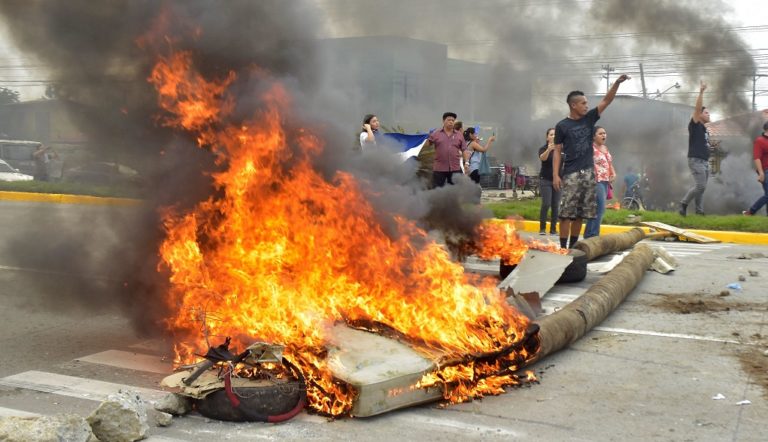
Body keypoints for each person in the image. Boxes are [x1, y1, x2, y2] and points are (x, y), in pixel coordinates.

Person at [553, 74, 629, 249]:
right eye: (583, 103)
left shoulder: (589, 119)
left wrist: (617, 83)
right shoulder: (562, 126)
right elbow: (557, 151)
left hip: (589, 173)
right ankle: (563, 247)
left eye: (587, 103)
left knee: (581, 213)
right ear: (573, 105)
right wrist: (555, 175)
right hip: (571, 173)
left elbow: (606, 101)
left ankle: (573, 247)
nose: (587, 106)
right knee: (566, 214)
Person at [679, 81, 710, 216]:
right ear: (700, 115)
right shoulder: (695, 124)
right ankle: (683, 204)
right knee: (700, 186)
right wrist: (701, 92)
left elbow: (703, 143)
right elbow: (697, 109)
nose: (709, 114)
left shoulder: (704, 129)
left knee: (701, 189)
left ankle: (700, 211)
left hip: (704, 161)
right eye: (706, 112)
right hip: (696, 160)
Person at [584, 126, 616, 238]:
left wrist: (613, 173)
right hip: (596, 181)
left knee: (597, 209)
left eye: (605, 133)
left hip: (605, 181)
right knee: (600, 208)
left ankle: (589, 234)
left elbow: (609, 163)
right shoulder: (590, 148)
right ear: (593, 136)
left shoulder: (605, 148)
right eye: (600, 133)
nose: (604, 135)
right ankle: (593, 235)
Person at [422, 112, 467, 187]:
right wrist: (425, 137)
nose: (451, 122)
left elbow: (464, 149)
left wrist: (466, 163)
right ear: (443, 121)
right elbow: (426, 145)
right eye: (449, 120)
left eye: (453, 120)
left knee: (455, 190)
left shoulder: (459, 135)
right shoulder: (436, 134)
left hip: (455, 168)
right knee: (437, 190)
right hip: (439, 168)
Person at [538, 128, 560, 235]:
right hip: (545, 180)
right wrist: (549, 150)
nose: (553, 136)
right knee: (546, 204)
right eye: (551, 134)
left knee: (556, 205)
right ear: (547, 137)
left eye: (555, 134)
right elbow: (542, 158)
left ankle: (553, 229)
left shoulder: (561, 148)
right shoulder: (543, 148)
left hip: (558, 181)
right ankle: (542, 228)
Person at [743, 121, 768, 216]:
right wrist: (761, 173)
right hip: (766, 171)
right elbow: (757, 157)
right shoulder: (760, 141)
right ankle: (751, 211)